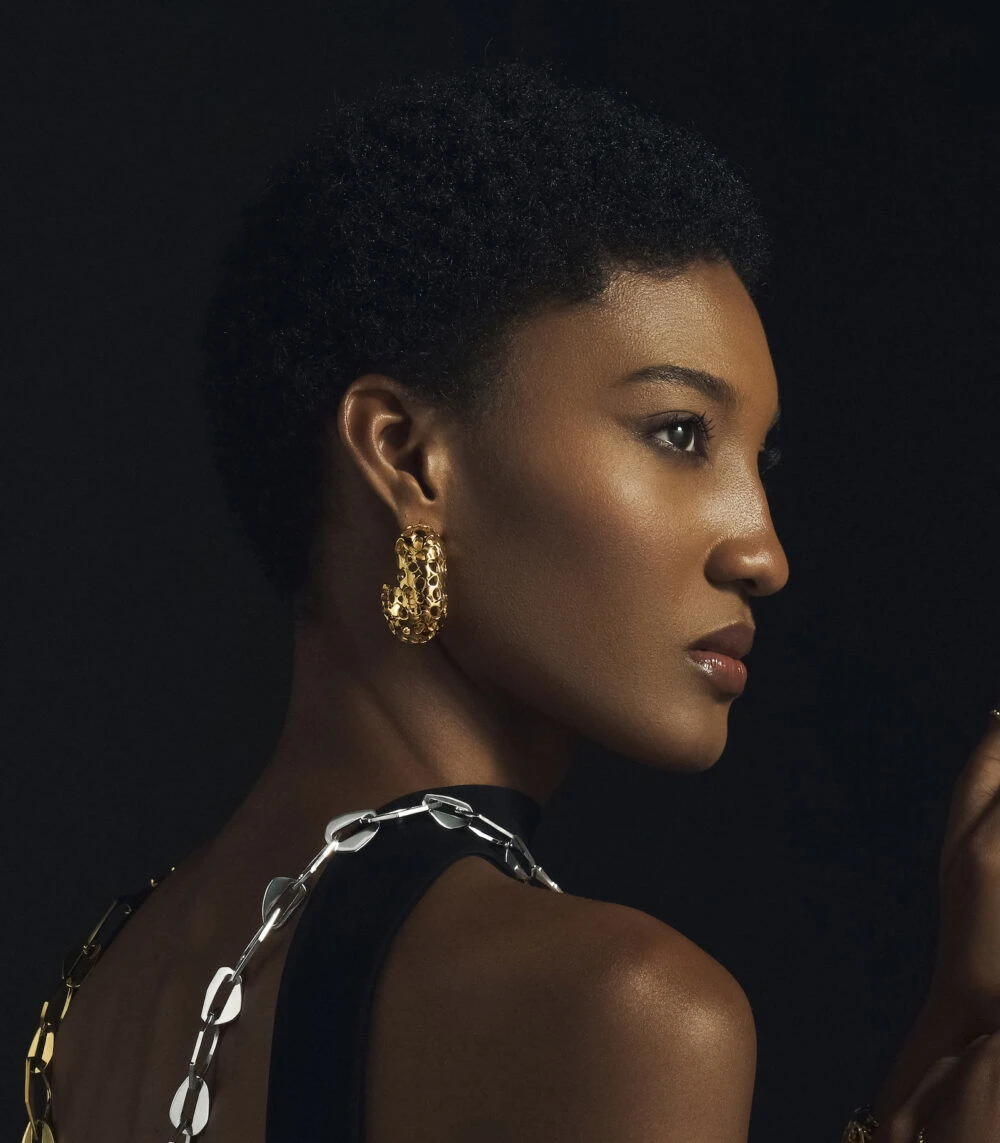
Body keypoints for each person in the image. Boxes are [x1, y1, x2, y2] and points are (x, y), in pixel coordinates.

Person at [25, 59, 1000, 1143]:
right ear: (408, 456)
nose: (761, 553)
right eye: (679, 434)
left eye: (758, 461)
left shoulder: (103, 986)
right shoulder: (621, 1008)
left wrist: (958, 1020)